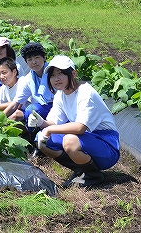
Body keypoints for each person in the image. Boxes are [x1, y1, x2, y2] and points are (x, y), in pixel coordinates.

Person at [30, 55, 120, 187]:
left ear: (73, 73)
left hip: (107, 147)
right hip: (87, 139)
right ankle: (80, 170)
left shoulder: (85, 93)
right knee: (41, 140)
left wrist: (48, 129)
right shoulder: (61, 94)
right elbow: (53, 122)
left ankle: (94, 176)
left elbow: (80, 128)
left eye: (61, 73)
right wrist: (41, 122)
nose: (56, 79)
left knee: (69, 141)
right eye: (53, 75)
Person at [0, 57, 25, 121]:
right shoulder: (5, 86)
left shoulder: (22, 82)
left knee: (16, 114)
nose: (1, 77)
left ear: (14, 72)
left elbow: (17, 104)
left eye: (4, 73)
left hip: (26, 114)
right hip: (12, 112)